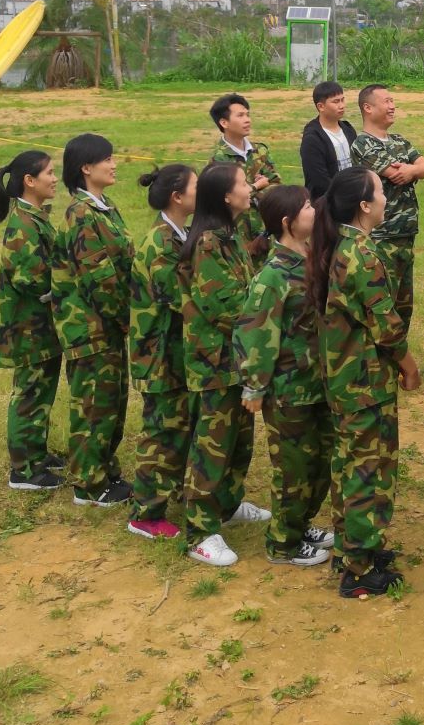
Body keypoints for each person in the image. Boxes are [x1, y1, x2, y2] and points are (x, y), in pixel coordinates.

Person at [308, 167, 421, 599]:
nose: (386, 199)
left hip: (346, 378)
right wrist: (409, 366)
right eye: (380, 192)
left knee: (349, 462)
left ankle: (353, 546)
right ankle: (358, 568)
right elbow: (387, 327)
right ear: (364, 205)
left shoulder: (342, 244)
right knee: (366, 469)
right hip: (363, 382)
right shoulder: (362, 255)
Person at [236, 185, 335, 567]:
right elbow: (256, 333)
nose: (314, 210)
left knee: (321, 462)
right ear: (287, 222)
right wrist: (255, 386)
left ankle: (300, 524)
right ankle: (283, 543)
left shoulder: (312, 258)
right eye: (307, 206)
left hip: (317, 383)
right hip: (288, 390)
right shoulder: (273, 275)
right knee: (293, 469)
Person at [178, 162, 271, 566]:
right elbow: (227, 307)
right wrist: (269, 319)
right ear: (225, 196)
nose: (250, 188)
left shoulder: (229, 236)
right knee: (212, 446)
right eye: (243, 184)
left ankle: (228, 505)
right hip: (215, 362)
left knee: (239, 440)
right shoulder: (207, 245)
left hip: (236, 359)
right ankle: (200, 530)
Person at [52, 133, 135, 507]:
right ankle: (88, 485)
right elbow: (100, 279)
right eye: (107, 159)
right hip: (90, 328)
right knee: (93, 406)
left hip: (107, 326)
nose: (114, 165)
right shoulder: (81, 215)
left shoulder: (104, 207)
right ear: (86, 167)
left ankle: (104, 470)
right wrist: (127, 317)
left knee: (111, 403)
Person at [127, 164, 198, 540]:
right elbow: (179, 297)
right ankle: (146, 514)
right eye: (196, 186)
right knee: (162, 432)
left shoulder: (179, 233)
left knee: (179, 426)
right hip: (158, 355)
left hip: (174, 351)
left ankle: (173, 493)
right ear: (177, 197)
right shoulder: (160, 242)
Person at [0, 149, 63, 492]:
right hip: (27, 327)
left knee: (41, 390)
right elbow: (32, 279)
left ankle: (36, 453)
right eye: (49, 173)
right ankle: (23, 470)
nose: (55, 179)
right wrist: (67, 279)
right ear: (29, 181)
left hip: (40, 326)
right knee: (29, 394)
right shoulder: (23, 224)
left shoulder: (34, 217)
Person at [351, 84, 424, 344]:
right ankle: (380, 355)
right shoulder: (362, 144)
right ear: (368, 108)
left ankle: (398, 354)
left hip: (406, 235)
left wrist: (412, 170)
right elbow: (393, 173)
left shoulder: (399, 140)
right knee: (382, 307)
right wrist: (412, 169)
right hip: (382, 238)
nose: (392, 106)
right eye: (386, 101)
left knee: (404, 306)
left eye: (392, 100)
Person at [208, 93, 282, 254]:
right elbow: (225, 199)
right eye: (240, 115)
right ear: (224, 122)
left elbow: (276, 186)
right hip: (238, 234)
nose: (247, 120)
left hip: (266, 229)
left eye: (248, 115)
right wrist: (257, 186)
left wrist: (251, 189)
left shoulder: (260, 151)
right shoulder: (219, 160)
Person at [300, 81, 358, 200]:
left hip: (353, 197)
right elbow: (318, 179)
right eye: (336, 102)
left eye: (342, 100)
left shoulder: (348, 129)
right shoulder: (312, 138)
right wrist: (343, 196)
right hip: (326, 201)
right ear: (321, 106)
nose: (341, 105)